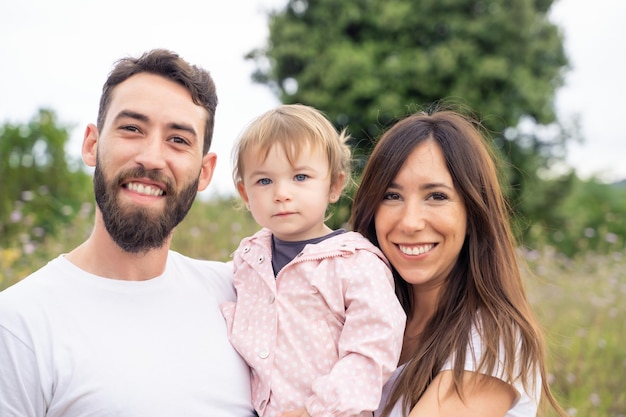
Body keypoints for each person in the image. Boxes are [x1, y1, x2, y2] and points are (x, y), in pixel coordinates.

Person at [0, 49, 254, 417]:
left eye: (178, 140)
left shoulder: (241, 296)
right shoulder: (18, 324)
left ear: (205, 171)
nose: (151, 158)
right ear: (92, 144)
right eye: (132, 129)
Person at [351, 109, 567, 417]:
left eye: (436, 196)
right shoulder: (357, 318)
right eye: (391, 196)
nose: (410, 222)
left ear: (473, 213)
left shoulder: (494, 341)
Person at [220, 104, 406, 417]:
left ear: (333, 185)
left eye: (300, 177)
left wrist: (316, 411)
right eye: (264, 181)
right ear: (245, 193)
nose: (281, 193)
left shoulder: (354, 262)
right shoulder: (248, 260)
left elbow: (373, 349)